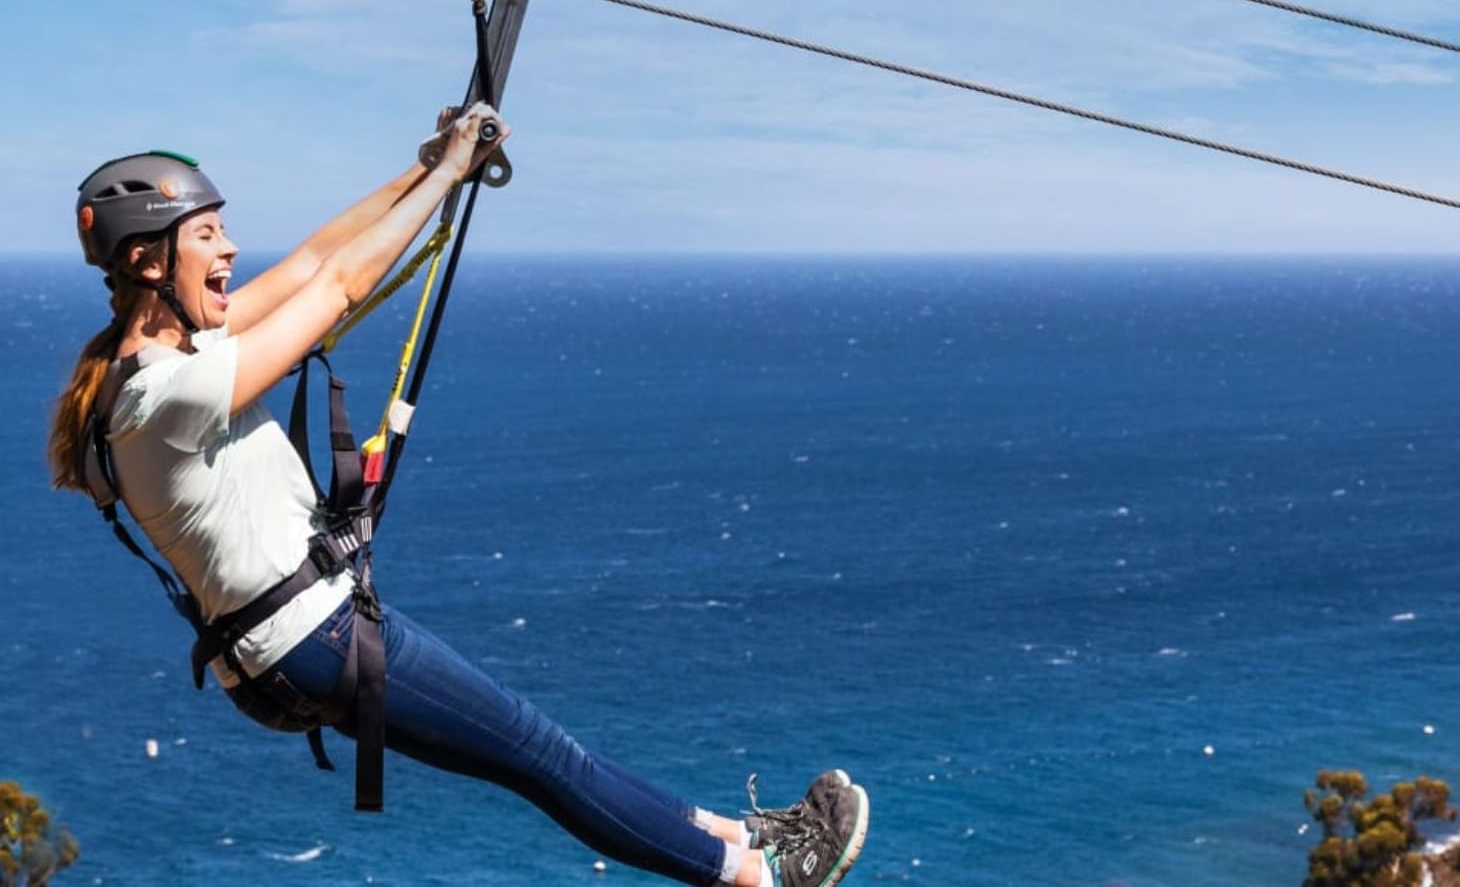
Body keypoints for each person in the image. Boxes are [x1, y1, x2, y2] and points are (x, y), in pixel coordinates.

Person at [47, 104, 870, 887]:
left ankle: (743, 838)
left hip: (290, 649)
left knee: (542, 758)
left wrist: (428, 167)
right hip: (319, 637)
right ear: (148, 261)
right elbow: (335, 289)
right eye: (206, 235)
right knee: (548, 758)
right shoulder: (168, 397)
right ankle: (757, 874)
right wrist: (448, 176)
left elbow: (311, 263)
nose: (229, 247)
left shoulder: (143, 375)